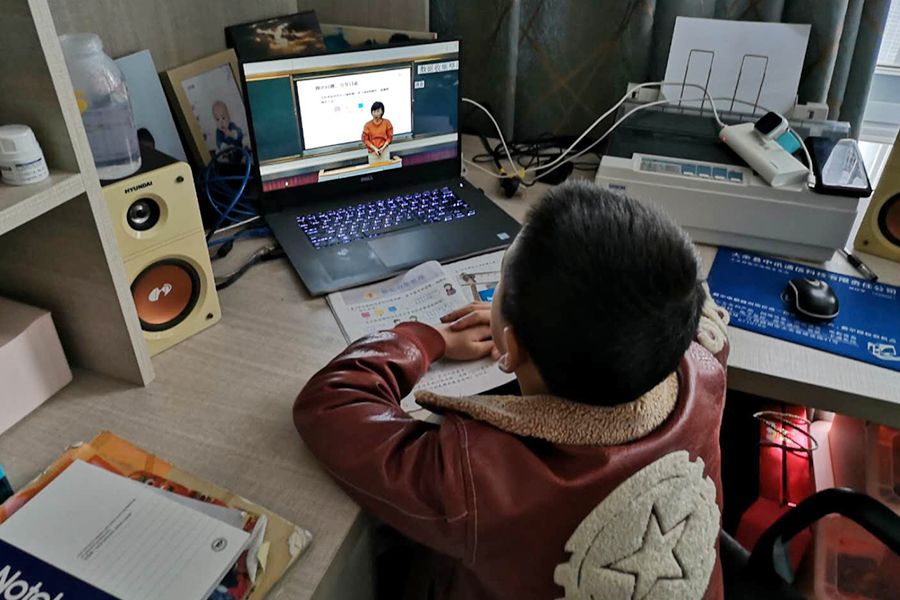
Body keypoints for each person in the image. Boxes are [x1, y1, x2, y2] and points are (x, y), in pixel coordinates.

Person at [294, 181, 730, 600]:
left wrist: (429, 339)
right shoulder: (706, 363)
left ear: (512, 345)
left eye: (501, 284)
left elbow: (331, 402)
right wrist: (540, 319)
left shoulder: (478, 480)